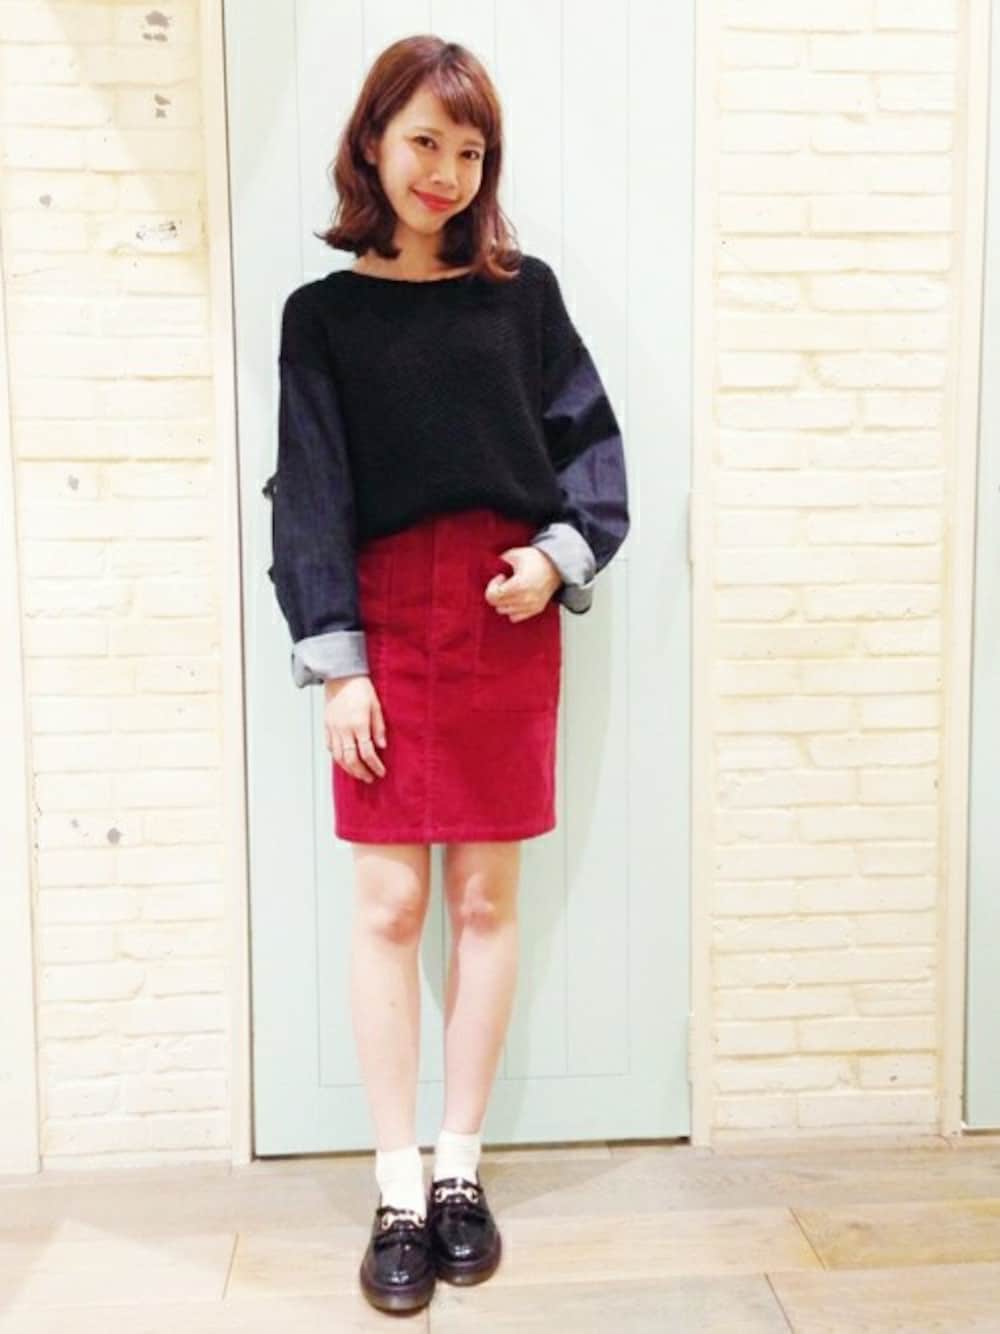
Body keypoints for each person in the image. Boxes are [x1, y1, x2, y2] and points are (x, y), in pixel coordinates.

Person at [265, 33, 629, 1316]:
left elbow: (591, 449)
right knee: (387, 905)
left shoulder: (522, 297)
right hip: (379, 625)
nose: (446, 171)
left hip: (500, 615)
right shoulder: (322, 316)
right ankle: (395, 1186)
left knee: (482, 899)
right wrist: (338, 665)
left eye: (471, 151)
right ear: (373, 141)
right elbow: (309, 491)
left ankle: (460, 1167)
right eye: (425, 140)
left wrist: (554, 554)